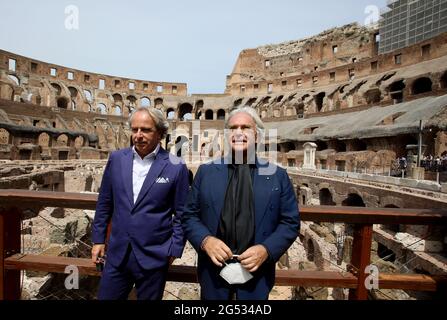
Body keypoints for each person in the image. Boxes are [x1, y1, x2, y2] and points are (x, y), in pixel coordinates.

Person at [182, 106, 300, 300]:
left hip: (258, 272)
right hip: (213, 271)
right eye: (233, 128)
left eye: (245, 127)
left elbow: (290, 222)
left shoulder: (278, 176)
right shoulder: (206, 172)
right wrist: (205, 241)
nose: (238, 132)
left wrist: (266, 250)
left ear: (257, 135)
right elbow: (189, 216)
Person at [91, 107, 189, 300]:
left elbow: (182, 213)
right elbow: (105, 202)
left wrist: (174, 250)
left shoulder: (176, 166)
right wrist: (98, 240)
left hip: (154, 256)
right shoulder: (117, 159)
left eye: (145, 130)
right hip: (117, 254)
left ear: (160, 133)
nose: (138, 135)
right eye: (135, 129)